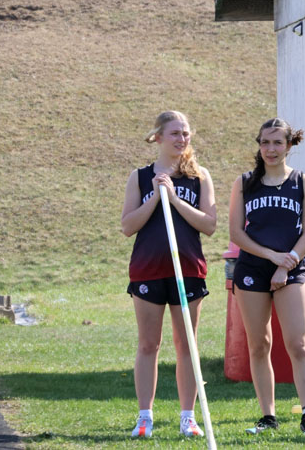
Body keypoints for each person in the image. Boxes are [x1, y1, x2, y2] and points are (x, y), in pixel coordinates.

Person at [120, 111, 217, 438]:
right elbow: (127, 227)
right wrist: (155, 197)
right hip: (148, 269)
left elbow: (209, 225)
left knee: (186, 344)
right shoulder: (140, 176)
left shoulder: (199, 176)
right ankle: (144, 417)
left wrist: (174, 198)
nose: (181, 139)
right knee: (149, 344)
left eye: (186, 133)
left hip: (188, 270)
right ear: (158, 137)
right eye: (174, 133)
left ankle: (187, 417)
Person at [228, 118, 305, 436]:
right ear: (259, 145)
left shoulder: (303, 183)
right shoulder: (244, 183)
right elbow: (236, 233)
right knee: (259, 345)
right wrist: (271, 258)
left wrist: (286, 265)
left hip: (292, 269)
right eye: (265, 142)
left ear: (289, 146)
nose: (270, 149)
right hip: (253, 269)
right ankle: (267, 416)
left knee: (299, 344)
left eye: (277, 143)